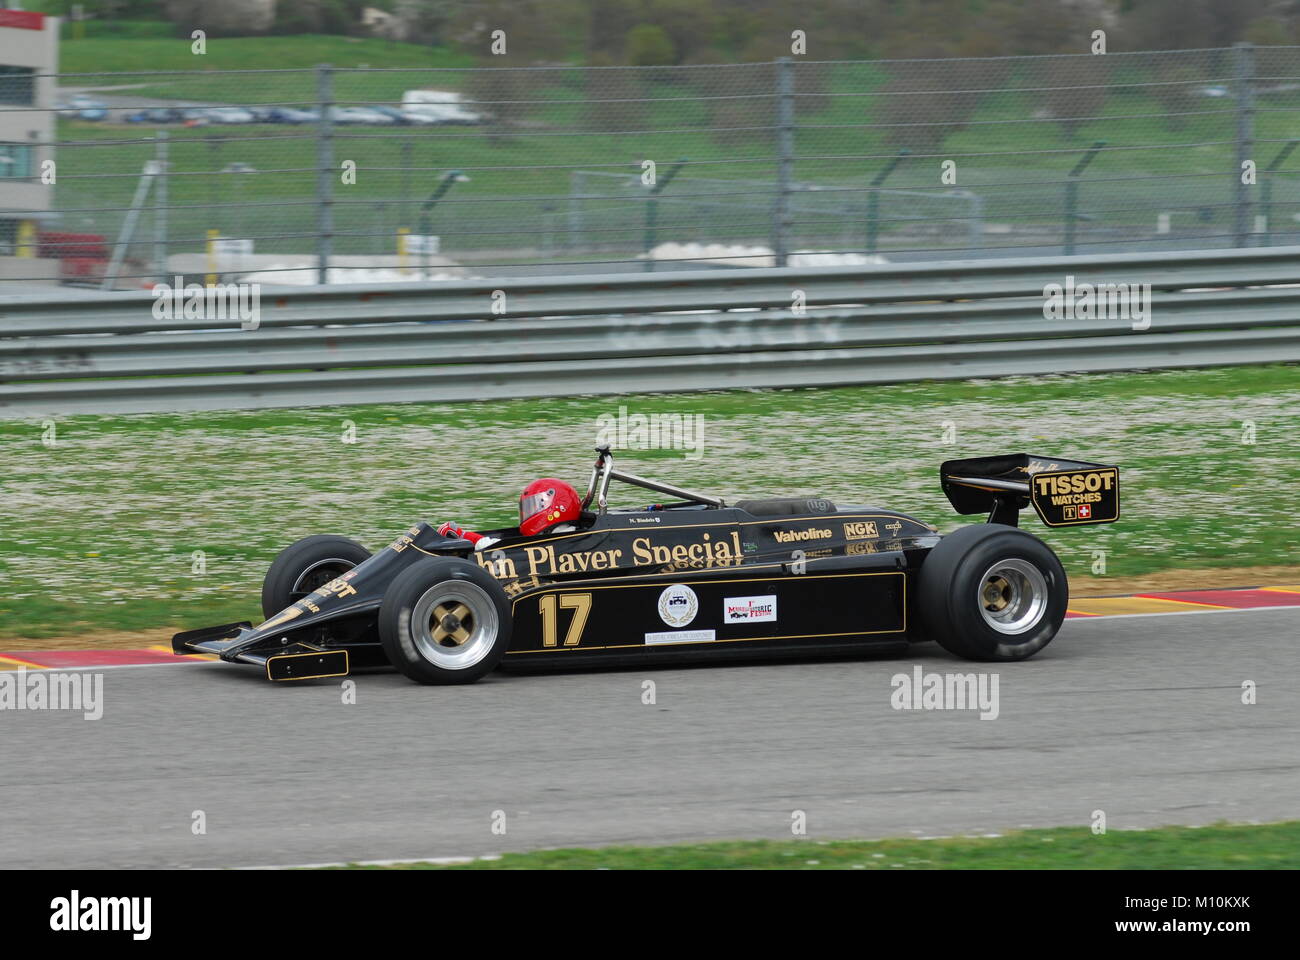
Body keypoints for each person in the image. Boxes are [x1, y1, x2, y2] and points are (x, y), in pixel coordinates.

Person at [438, 478, 582, 551]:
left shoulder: (562, 542)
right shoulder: (563, 538)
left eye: (533, 506)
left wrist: (463, 535)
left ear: (556, 509)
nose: (528, 513)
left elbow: (502, 550)